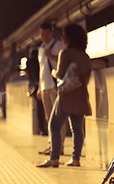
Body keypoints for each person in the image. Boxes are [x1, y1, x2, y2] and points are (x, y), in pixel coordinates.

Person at [37, 23, 92, 168]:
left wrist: (53, 73)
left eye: (64, 35)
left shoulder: (65, 53)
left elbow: (60, 74)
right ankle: (75, 159)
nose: (62, 38)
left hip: (66, 96)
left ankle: (54, 159)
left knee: (54, 125)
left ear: (69, 38)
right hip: (81, 96)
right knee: (77, 129)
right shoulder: (85, 56)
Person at [37, 22, 66, 154]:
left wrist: (51, 56)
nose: (44, 36)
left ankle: (60, 146)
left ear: (51, 32)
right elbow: (41, 69)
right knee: (49, 118)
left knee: (58, 117)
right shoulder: (40, 48)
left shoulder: (59, 45)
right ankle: (52, 145)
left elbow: (63, 63)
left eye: (46, 33)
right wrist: (39, 87)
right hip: (44, 86)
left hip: (55, 85)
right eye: (42, 34)